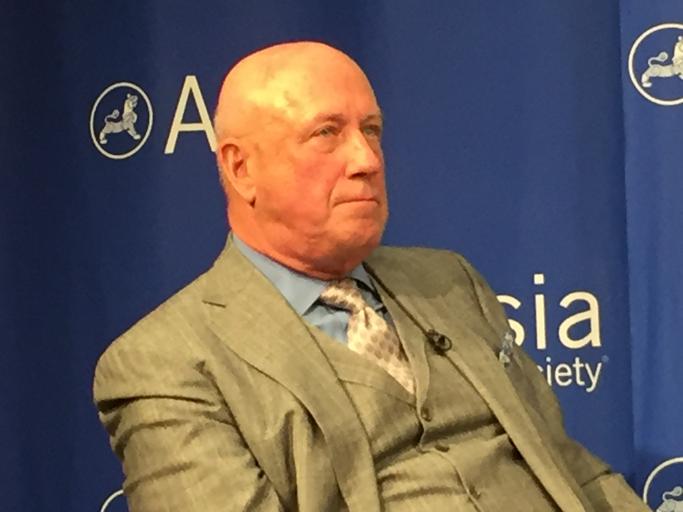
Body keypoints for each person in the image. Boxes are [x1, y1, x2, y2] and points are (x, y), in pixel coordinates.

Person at [93, 41, 649, 511]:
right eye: (326, 133)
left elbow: (570, 467)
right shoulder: (166, 362)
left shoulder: (449, 280)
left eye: (372, 130)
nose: (367, 159)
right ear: (242, 168)